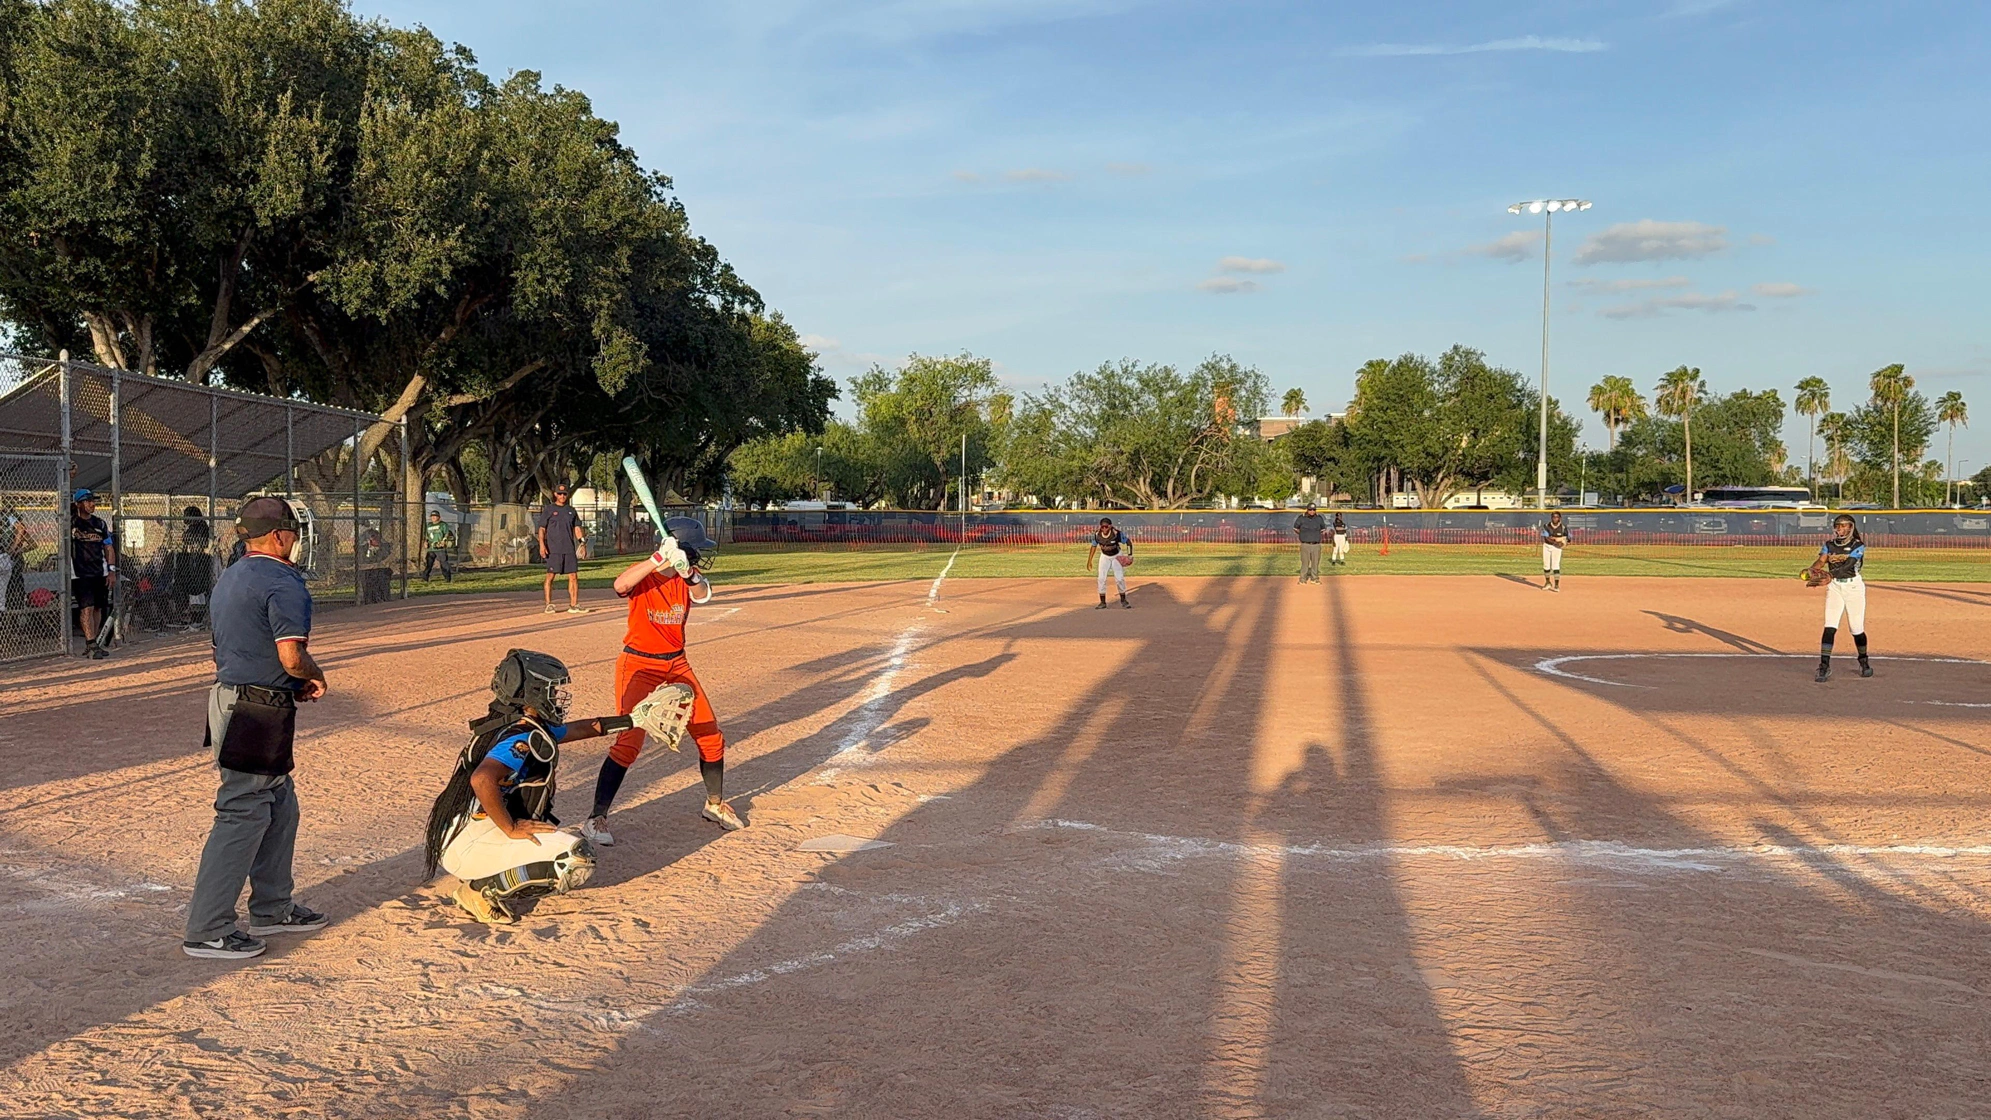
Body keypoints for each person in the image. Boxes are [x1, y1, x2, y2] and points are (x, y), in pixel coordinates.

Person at [183, 496, 329, 960]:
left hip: (237, 700)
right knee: (243, 810)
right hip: (256, 710)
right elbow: (291, 655)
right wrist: (311, 675)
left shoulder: (232, 575)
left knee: (279, 802)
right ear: (282, 535)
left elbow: (223, 646)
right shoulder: (284, 582)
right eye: (293, 533)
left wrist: (288, 684)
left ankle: (272, 906)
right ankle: (208, 929)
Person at [423, 650, 628, 924]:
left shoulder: (512, 724)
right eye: (551, 691)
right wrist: (511, 827)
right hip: (470, 842)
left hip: (462, 833)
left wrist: (633, 720)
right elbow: (482, 779)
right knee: (576, 859)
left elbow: (581, 729)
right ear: (533, 693)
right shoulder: (522, 736)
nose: (557, 698)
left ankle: (484, 869)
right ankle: (478, 891)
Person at [583, 517, 742, 845]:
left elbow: (704, 595)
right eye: (694, 550)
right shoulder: (645, 574)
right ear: (677, 546)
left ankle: (714, 804)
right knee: (629, 741)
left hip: (676, 664)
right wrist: (658, 559)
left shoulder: (686, 578)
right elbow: (619, 585)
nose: (699, 555)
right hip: (639, 665)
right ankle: (596, 819)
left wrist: (688, 571)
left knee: (710, 734)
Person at [1815, 513, 1872, 682]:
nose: (1840, 529)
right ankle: (1824, 666)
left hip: (1853, 587)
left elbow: (1848, 565)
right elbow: (1821, 560)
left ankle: (1864, 661)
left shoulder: (1858, 545)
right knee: (1830, 626)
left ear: (1851, 528)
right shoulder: (1829, 544)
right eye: (1838, 526)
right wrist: (1812, 570)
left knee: (1856, 629)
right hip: (1835, 587)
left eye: (1844, 526)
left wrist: (1829, 575)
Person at [69, 488, 116, 657]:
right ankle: (90, 643)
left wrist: (111, 571)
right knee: (86, 608)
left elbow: (109, 547)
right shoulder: (72, 523)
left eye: (92, 501)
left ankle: (94, 643)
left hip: (100, 571)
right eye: (87, 501)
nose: (91, 504)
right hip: (81, 573)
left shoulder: (100, 524)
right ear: (79, 503)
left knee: (98, 608)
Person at [535, 483, 586, 614]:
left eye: (564, 494)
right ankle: (549, 604)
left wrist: (582, 542)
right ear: (555, 494)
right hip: (553, 549)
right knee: (550, 576)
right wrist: (542, 545)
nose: (562, 496)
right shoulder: (549, 510)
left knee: (573, 576)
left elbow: (577, 528)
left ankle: (574, 605)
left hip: (568, 548)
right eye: (559, 493)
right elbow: (541, 528)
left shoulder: (571, 511)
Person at [1086, 517, 1133, 608]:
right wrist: (1089, 561)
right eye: (1102, 527)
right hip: (1105, 556)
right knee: (1101, 578)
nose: (1104, 529)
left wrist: (1130, 555)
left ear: (1110, 526)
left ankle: (1123, 600)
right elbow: (1093, 546)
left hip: (1116, 555)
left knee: (1119, 578)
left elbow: (1128, 542)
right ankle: (1102, 602)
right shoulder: (1097, 535)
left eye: (1106, 527)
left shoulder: (1116, 534)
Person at [2, 498, 32, 611]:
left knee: (14, 587)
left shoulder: (10, 517)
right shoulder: (5, 524)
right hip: (7, 560)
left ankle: (16, 613)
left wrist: (14, 549)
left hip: (13, 561)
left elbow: (21, 529)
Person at [1293, 503, 1325, 583]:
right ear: (1307, 510)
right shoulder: (1301, 518)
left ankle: (1314, 579)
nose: (1312, 511)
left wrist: (1314, 535)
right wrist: (1303, 535)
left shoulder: (1319, 518)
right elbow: (1296, 528)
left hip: (1316, 544)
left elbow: (1322, 529)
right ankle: (1303, 579)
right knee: (1305, 563)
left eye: (1314, 510)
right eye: (1310, 509)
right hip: (1305, 544)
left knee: (1315, 563)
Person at [422, 510, 457, 583]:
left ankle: (447, 578)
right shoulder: (429, 525)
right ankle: (425, 578)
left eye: (435, 516)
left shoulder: (443, 525)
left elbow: (447, 534)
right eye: (432, 516)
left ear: (439, 517)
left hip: (440, 548)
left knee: (444, 563)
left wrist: (443, 541)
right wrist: (425, 542)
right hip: (431, 548)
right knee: (429, 563)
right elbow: (427, 536)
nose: (433, 518)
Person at [1540, 511, 1570, 592]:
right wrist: (1555, 542)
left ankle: (1556, 585)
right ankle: (1547, 582)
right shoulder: (1546, 526)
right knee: (1546, 565)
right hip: (1547, 546)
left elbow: (1568, 538)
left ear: (1560, 518)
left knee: (1555, 565)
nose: (1555, 518)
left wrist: (1564, 542)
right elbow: (1546, 538)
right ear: (1551, 518)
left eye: (1557, 517)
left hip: (1557, 548)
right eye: (1553, 517)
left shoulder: (1563, 527)